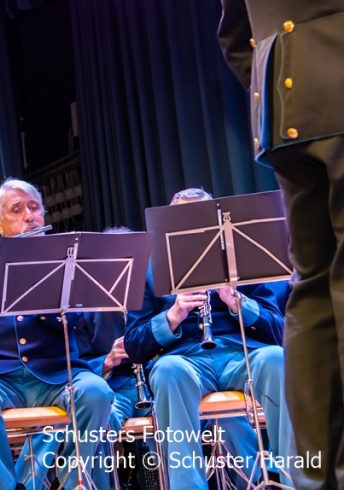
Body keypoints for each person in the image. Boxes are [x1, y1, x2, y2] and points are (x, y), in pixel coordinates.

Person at [218, 3, 344, 487]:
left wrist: (276, 88)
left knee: (312, 289)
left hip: (280, 107)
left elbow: (234, 33)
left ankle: (313, 477)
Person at [0, 178, 114, 490]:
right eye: (17, 210)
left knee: (97, 392)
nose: (29, 216)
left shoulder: (64, 258)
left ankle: (74, 481)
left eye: (34, 208)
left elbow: (73, 321)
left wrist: (6, 278)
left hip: (58, 374)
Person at [124, 188, 295, 489]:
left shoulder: (242, 258)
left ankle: (294, 478)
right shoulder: (149, 270)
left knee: (275, 359)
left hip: (242, 355)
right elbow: (134, 346)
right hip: (185, 360)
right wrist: (173, 316)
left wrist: (238, 303)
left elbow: (279, 330)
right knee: (167, 371)